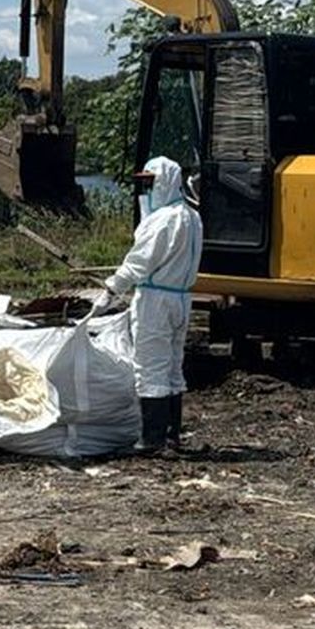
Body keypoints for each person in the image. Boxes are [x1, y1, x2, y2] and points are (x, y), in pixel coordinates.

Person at [93, 156, 203, 452]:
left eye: (150, 183)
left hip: (156, 299)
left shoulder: (164, 221)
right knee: (172, 366)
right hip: (181, 297)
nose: (147, 190)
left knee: (151, 366)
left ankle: (151, 439)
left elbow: (138, 263)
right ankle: (171, 434)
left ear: (165, 182)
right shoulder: (192, 216)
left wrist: (111, 290)